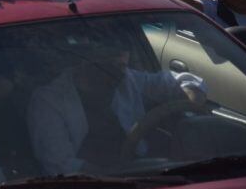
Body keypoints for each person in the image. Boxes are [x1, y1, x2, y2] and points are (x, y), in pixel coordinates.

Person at [28, 45, 206, 175]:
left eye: (121, 65)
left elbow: (180, 82)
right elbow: (60, 164)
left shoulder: (127, 80)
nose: (118, 74)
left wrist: (191, 101)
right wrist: (115, 177)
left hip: (144, 172)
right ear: (85, 60)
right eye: (108, 66)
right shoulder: (49, 100)